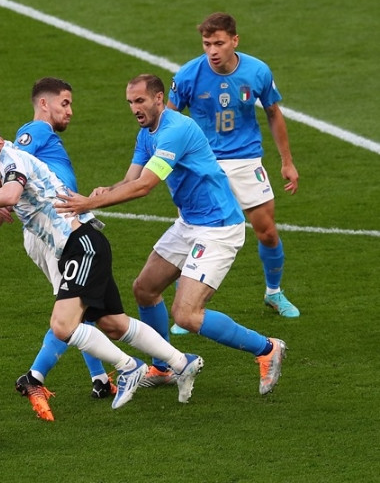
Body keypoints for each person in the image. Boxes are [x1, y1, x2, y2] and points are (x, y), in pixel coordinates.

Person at [0, 119, 204, 418]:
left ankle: (130, 367)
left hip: (81, 245)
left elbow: (10, 195)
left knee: (63, 325)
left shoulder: (11, 159)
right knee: (113, 324)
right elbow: (2, 190)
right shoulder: (6, 161)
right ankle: (182, 362)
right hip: (85, 244)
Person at [55, 74, 286, 396]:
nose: (135, 108)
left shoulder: (175, 131)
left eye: (141, 101)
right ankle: (163, 368)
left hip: (218, 227)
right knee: (145, 289)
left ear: (159, 99)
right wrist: (108, 190)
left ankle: (267, 348)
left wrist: (91, 203)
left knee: (187, 314)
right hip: (189, 223)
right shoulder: (146, 133)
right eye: (131, 102)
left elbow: (146, 186)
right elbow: (131, 179)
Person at [0, 78, 117, 408]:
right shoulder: (37, 131)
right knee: (73, 307)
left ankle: (100, 379)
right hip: (55, 232)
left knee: (81, 304)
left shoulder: (37, 140)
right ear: (44, 104)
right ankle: (35, 377)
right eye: (65, 103)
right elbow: (8, 176)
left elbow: (10, 178)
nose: (70, 111)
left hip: (57, 228)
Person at [167, 12, 299, 337]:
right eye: (206, 43)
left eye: (219, 43)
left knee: (266, 231)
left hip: (246, 161)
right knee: (195, 236)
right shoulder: (187, 76)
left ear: (234, 41)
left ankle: (273, 293)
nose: (212, 50)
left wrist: (287, 161)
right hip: (203, 164)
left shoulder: (257, 71)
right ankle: (187, 308)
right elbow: (168, 120)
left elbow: (273, 113)